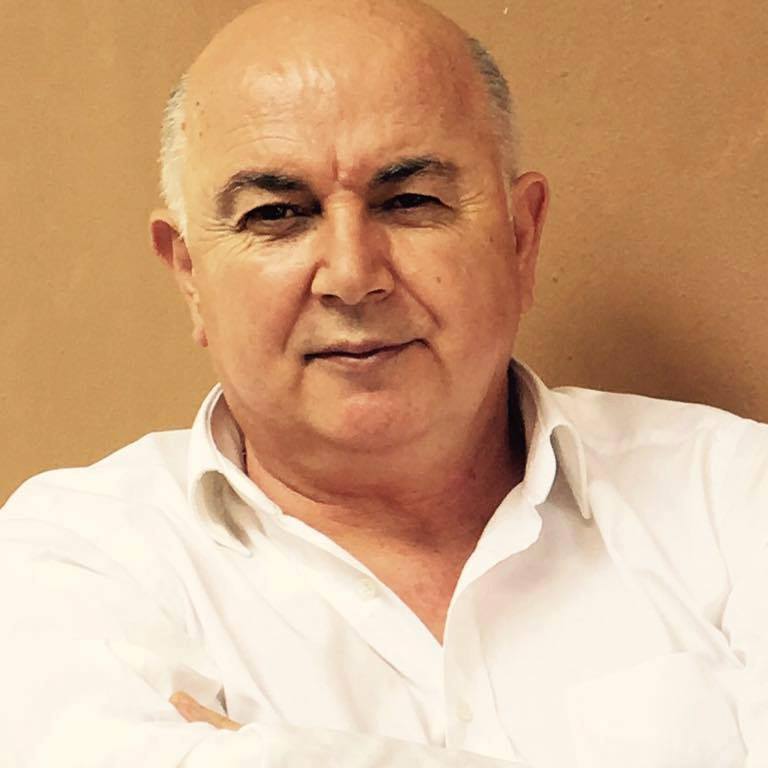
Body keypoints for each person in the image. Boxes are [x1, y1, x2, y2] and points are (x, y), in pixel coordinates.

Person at [1, 0, 766, 766]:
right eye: (277, 214)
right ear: (190, 274)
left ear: (520, 237)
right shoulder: (74, 559)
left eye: (409, 202)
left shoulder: (731, 499)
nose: (351, 275)